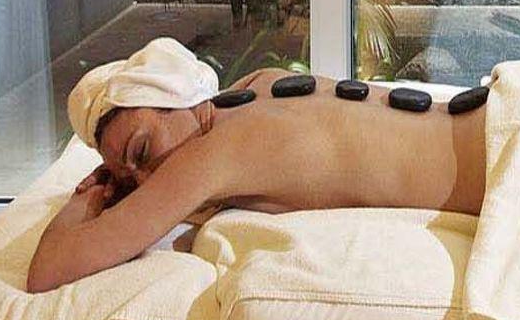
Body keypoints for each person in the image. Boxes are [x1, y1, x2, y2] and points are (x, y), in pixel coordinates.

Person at [26, 39, 488, 293]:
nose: (147, 180)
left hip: (503, 164)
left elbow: (48, 270)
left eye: (141, 152)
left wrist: (88, 195)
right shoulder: (260, 85)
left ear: (176, 96)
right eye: (129, 180)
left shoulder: (210, 156)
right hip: (495, 116)